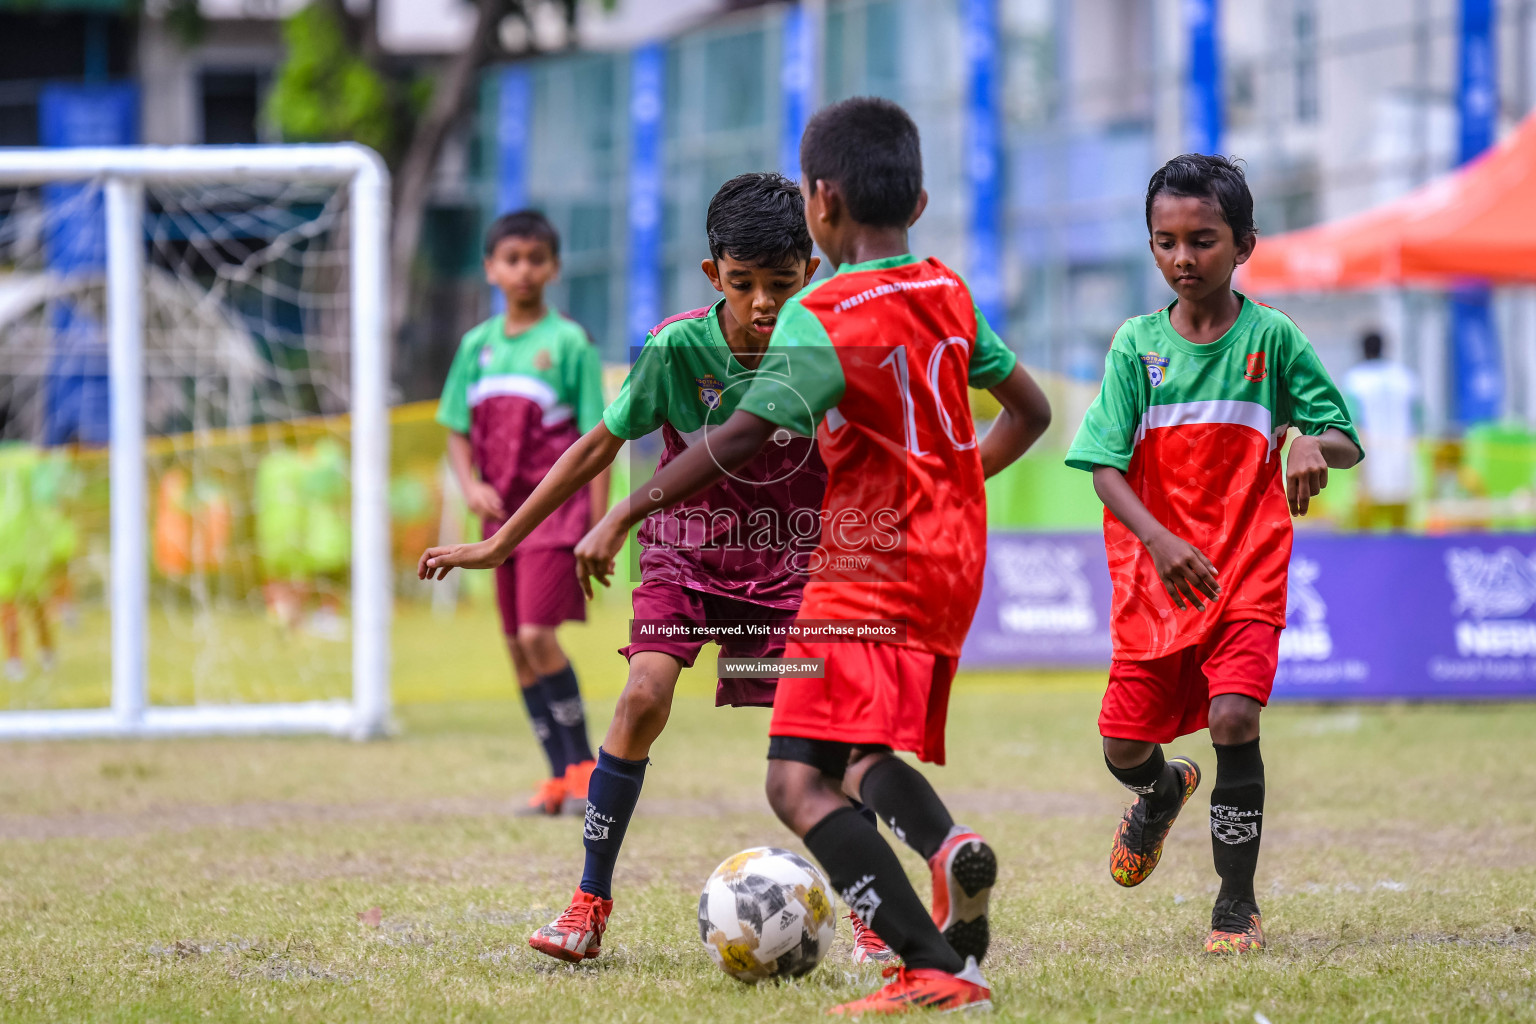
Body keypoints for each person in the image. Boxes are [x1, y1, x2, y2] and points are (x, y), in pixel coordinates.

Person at [545, 98, 1053, 1014]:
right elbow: (1034, 413)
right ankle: (944, 862)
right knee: (840, 754)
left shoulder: (821, 313)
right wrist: (952, 484)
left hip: (856, 565)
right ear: (921, 197)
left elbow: (737, 437)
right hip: (946, 557)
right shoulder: (949, 290)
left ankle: (926, 952)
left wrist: (623, 515)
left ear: (821, 205)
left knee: (795, 777)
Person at [422, 173, 898, 964]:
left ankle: (872, 916)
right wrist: (501, 540)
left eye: (781, 284)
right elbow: (597, 446)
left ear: (808, 273)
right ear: (714, 276)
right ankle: (587, 903)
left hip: (789, 576)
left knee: (831, 735)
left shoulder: (826, 348)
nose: (762, 304)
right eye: (743, 284)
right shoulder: (676, 347)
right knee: (643, 695)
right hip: (685, 557)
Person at [1065, 154, 1363, 955]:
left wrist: (1306, 440)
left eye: (1203, 239)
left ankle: (1236, 905)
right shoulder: (1136, 346)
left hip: (1248, 572)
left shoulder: (1273, 339)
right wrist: (1158, 540)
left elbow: (1345, 438)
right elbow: (1101, 465)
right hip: (1156, 580)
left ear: (1245, 244)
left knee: (1233, 718)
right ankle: (1161, 795)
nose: (1183, 258)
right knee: (1123, 748)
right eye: (1165, 241)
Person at [435, 210, 608, 817]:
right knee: (515, 646)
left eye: (536, 258)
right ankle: (558, 775)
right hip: (497, 520)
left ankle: (586, 766)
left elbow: (598, 438)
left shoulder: (568, 344)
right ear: (491, 269)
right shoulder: (476, 348)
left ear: (554, 268)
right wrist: (470, 484)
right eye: (512, 259)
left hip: (555, 518)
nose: (524, 270)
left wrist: (598, 521)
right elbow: (456, 429)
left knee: (538, 635)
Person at [1343, 330, 1418, 530]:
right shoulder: (1404, 376)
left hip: (1370, 454)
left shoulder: (1355, 380)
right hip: (1403, 453)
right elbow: (1418, 417)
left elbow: (1351, 421)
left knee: (1368, 518)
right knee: (1400, 516)